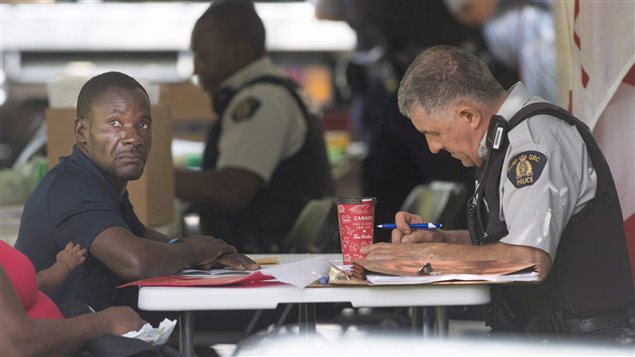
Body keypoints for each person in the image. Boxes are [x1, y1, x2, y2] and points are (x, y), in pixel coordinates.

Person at [361, 45, 634, 343]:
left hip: (583, 343)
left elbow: (527, 259)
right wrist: (443, 240)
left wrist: (425, 257)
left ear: (468, 115)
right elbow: (515, 239)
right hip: (547, 336)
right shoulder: (504, 140)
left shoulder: (533, 141)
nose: (433, 147)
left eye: (435, 132)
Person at [15, 71, 258, 313]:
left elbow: (139, 234)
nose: (134, 138)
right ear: (82, 132)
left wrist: (195, 250)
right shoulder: (71, 188)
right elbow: (136, 260)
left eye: (142, 125)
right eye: (115, 123)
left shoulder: (101, 181)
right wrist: (195, 251)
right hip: (63, 343)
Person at [175, 0, 334, 253]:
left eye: (203, 57)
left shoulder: (260, 101)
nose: (196, 69)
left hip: (265, 259)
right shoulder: (273, 90)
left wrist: (154, 179)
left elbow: (232, 190)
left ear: (238, 52)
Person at [0, 240, 148, 356]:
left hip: (62, 341)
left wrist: (64, 265)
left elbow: (37, 283)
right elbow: (19, 344)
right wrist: (106, 321)